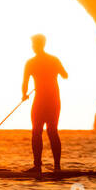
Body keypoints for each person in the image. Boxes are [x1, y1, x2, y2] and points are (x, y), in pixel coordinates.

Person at [22, 34, 68, 173]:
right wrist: (24, 94)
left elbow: (25, 83)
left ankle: (52, 167)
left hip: (47, 100)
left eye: (34, 44)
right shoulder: (53, 60)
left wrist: (24, 95)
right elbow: (65, 75)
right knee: (40, 131)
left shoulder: (31, 62)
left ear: (40, 45)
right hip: (50, 100)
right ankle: (44, 166)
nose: (33, 47)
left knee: (46, 131)